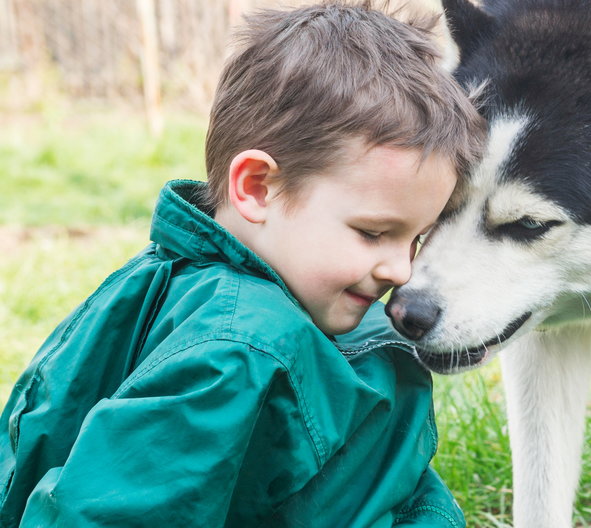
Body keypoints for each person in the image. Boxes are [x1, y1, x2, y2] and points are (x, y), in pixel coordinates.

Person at [0, 3, 485, 527]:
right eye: (373, 233)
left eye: (415, 241)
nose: (400, 270)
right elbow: (116, 512)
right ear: (256, 187)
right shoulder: (241, 346)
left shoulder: (201, 281)